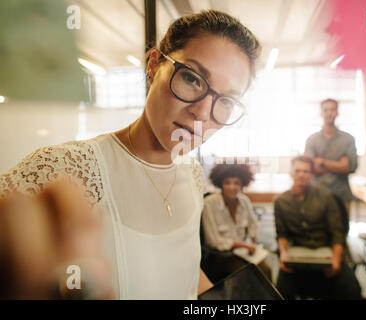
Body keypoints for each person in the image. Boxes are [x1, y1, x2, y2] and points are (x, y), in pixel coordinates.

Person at [0, 10, 260, 299]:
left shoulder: (193, 175)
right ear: (153, 65)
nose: (201, 112)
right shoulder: (68, 168)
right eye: (192, 78)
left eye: (226, 101)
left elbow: (184, 271)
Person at [274, 156, 361, 299]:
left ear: (312, 174)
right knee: (280, 292)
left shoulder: (326, 197)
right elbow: (281, 234)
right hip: (298, 255)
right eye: (298, 170)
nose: (301, 175)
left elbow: (337, 233)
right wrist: (283, 254)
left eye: (306, 171)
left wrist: (336, 259)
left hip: (326, 252)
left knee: (352, 290)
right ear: (291, 173)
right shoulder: (281, 201)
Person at [201, 162, 272, 283]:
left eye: (236, 183)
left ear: (242, 184)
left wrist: (253, 244)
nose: (232, 187)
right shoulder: (209, 203)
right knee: (249, 275)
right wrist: (244, 245)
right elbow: (213, 241)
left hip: (241, 252)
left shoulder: (244, 200)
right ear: (221, 183)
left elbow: (253, 224)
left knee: (267, 270)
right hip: (220, 256)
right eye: (227, 182)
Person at [304, 98, 358, 213]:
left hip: (342, 195)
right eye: (326, 110)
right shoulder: (312, 139)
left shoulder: (348, 139)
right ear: (321, 113)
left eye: (332, 109)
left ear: (337, 112)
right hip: (316, 194)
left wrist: (322, 162)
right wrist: (339, 164)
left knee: (341, 230)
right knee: (316, 229)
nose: (329, 113)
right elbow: (310, 167)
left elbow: (351, 167)